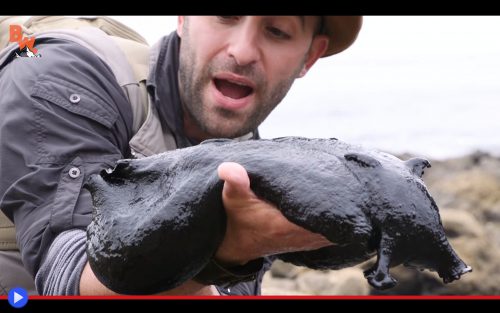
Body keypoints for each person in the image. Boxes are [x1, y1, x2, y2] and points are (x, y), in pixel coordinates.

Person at [0, 16, 362, 296]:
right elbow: (68, 275)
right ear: (184, 18)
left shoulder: (251, 160)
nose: (243, 51)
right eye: (226, 16)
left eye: (278, 31)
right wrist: (227, 252)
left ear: (309, 56)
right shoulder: (60, 79)